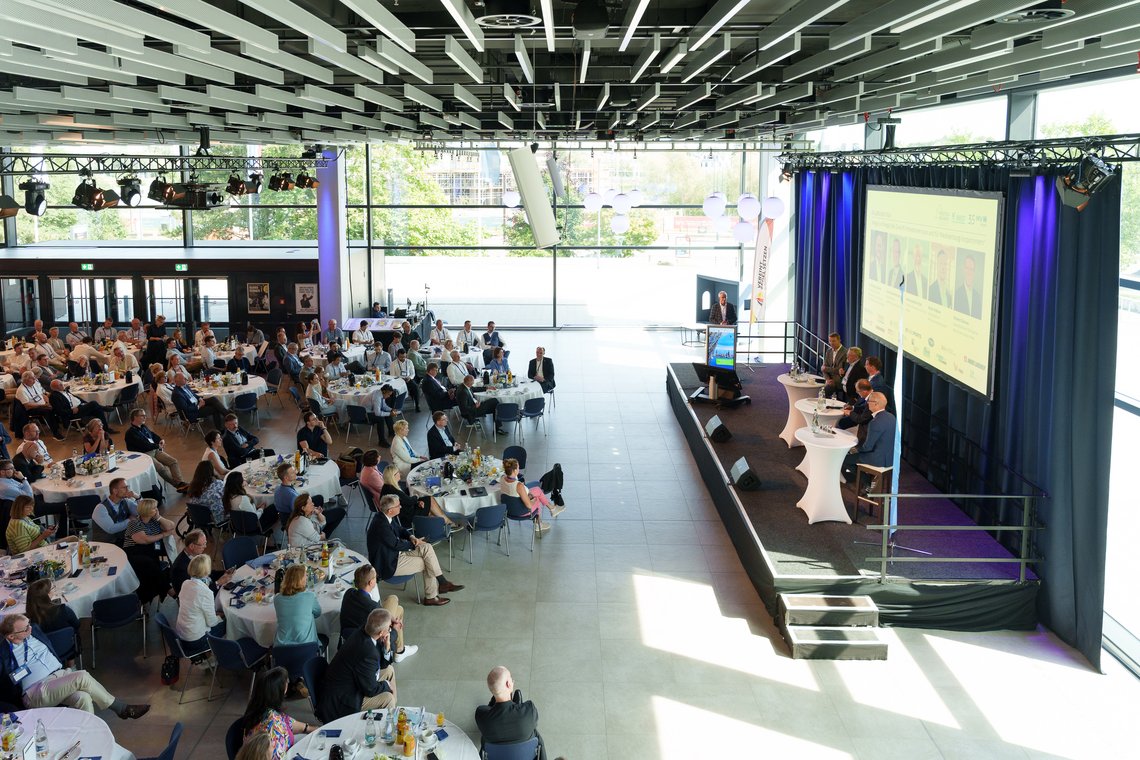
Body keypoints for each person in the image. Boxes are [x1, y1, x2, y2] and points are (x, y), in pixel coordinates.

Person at [0, 614, 150, 717]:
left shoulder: (34, 632)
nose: (30, 629)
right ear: (11, 636)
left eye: (29, 624)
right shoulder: (3, 652)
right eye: (26, 629)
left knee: (83, 698)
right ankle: (122, 709)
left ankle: (87, 739)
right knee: (81, 676)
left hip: (58, 676)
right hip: (35, 692)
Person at [366, 494, 462, 607]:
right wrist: (414, 544)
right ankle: (432, 596)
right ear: (390, 510)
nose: (400, 507)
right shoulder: (381, 526)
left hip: (394, 554)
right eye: (398, 505)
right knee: (427, 562)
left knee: (426, 547)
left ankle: (442, 583)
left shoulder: (384, 516)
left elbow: (400, 530)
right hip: (388, 563)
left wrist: (412, 537)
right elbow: (396, 545)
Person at [318, 608, 397, 721]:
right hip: (343, 699)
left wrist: (387, 647)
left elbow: (383, 665)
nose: (390, 630)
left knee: (389, 670)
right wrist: (387, 684)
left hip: (353, 681)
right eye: (389, 628)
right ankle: (389, 723)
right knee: (388, 698)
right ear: (381, 633)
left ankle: (394, 712)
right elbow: (370, 689)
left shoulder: (365, 631)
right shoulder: (368, 652)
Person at [339, 564, 417, 663]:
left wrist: (391, 617)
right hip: (370, 643)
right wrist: (395, 630)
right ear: (371, 582)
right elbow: (383, 634)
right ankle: (400, 651)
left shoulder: (349, 593)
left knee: (395, 604)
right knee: (398, 609)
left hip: (348, 638)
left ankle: (400, 650)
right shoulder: (373, 607)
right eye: (376, 577)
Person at [475, 666, 547, 760]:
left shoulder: (481, 716)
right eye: (511, 678)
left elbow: (484, 710)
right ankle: (517, 705)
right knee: (533, 730)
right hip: (526, 755)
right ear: (508, 684)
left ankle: (499, 702)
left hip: (497, 755)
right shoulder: (529, 710)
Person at [240, 666, 315, 757]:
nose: (288, 684)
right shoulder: (272, 731)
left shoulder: (259, 708)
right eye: (287, 682)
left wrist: (308, 728)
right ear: (281, 690)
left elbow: (288, 723)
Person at [273, 565, 322, 697]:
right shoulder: (309, 596)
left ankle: (293, 681)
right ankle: (299, 680)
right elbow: (318, 613)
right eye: (305, 577)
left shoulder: (277, 599)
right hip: (307, 650)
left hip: (282, 652)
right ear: (301, 580)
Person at [379, 462, 462, 530]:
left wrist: (417, 502)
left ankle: (441, 525)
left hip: (402, 514)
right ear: (393, 476)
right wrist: (416, 496)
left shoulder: (386, 487)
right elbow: (409, 501)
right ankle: (448, 522)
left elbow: (405, 501)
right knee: (429, 500)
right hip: (406, 518)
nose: (400, 473)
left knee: (428, 505)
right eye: (398, 472)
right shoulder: (394, 490)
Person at [122, 498, 174, 604]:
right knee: (149, 564)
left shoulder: (154, 521)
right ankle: (169, 590)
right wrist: (163, 534)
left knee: (156, 564)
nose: (157, 510)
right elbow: (144, 540)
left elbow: (171, 526)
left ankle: (162, 591)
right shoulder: (134, 523)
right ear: (147, 510)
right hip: (135, 552)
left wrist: (159, 517)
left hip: (151, 550)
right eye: (154, 508)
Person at [124, 409, 187, 492]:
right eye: (142, 416)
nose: (145, 417)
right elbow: (143, 445)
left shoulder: (143, 427)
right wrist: (158, 445)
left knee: (173, 462)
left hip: (154, 450)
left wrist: (160, 440)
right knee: (161, 468)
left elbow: (153, 435)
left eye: (145, 415)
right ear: (135, 417)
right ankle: (178, 485)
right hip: (144, 455)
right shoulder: (131, 433)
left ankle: (181, 483)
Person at [174, 554, 226, 654]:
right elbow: (212, 623)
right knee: (229, 622)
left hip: (182, 636)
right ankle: (224, 654)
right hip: (196, 640)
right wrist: (221, 616)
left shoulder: (185, 583)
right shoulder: (205, 592)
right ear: (206, 571)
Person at [500, 458, 563, 537]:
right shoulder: (518, 485)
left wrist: (529, 495)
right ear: (515, 470)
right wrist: (534, 499)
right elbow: (529, 505)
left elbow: (513, 492)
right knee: (537, 498)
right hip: (520, 512)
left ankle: (552, 509)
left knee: (537, 490)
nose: (519, 469)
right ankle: (539, 523)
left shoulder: (502, 478)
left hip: (508, 510)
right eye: (518, 468)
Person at [24, 579, 81, 665]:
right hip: (68, 646)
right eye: (52, 588)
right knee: (72, 633)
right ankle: (71, 665)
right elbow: (77, 624)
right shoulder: (63, 610)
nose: (54, 589)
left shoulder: (28, 620)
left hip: (45, 653)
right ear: (47, 595)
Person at [171, 528, 232, 595]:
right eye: (202, 544)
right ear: (192, 546)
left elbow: (206, 573)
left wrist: (223, 573)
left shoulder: (194, 555)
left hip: (208, 586)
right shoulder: (180, 568)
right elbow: (197, 593)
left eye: (205, 543)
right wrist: (218, 583)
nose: (205, 546)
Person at [224, 470, 279, 535]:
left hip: (238, 526)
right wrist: (261, 508)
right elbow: (255, 516)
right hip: (254, 526)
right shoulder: (243, 499)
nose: (244, 480)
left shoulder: (228, 497)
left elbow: (244, 510)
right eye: (242, 480)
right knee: (274, 506)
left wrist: (256, 507)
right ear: (239, 484)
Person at [91, 477, 139, 545]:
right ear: (115, 491)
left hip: (123, 539)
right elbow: (111, 529)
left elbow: (142, 511)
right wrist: (130, 520)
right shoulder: (100, 508)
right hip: (106, 545)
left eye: (127, 487)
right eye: (124, 487)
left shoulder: (125, 501)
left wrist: (137, 497)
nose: (128, 490)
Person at [16, 371, 62, 439]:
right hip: (31, 409)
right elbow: (27, 406)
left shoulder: (35, 384)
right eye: (32, 378)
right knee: (48, 411)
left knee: (56, 404)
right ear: (25, 380)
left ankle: (63, 422)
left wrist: (48, 403)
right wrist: (43, 406)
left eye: (34, 377)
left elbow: (42, 394)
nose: (34, 380)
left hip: (43, 404)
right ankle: (55, 433)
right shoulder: (21, 390)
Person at [836, 379, 874, 446]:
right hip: (864, 424)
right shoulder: (871, 396)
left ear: (864, 391)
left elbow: (861, 419)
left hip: (867, 429)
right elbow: (863, 407)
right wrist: (852, 408)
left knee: (840, 423)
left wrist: (850, 413)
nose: (857, 392)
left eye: (858, 391)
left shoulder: (871, 401)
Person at [955, 253, 982, 318]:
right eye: (967, 268)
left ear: (974, 272)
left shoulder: (978, 297)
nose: (969, 272)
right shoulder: (957, 294)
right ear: (963, 270)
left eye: (971, 269)